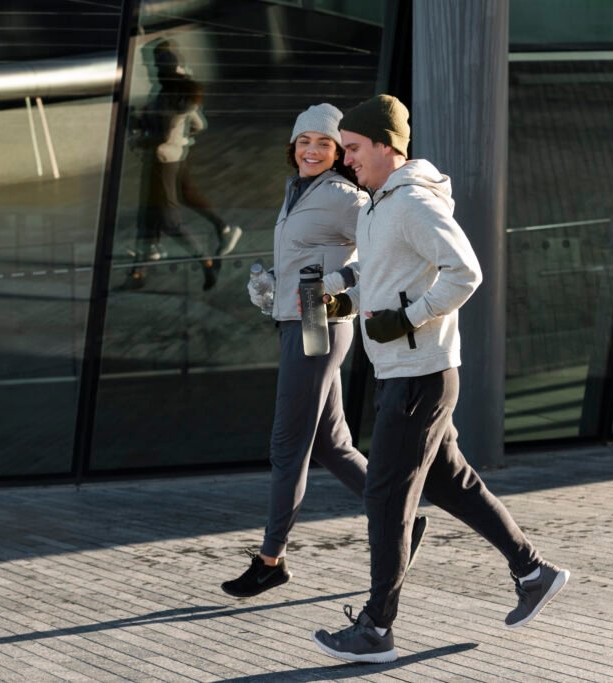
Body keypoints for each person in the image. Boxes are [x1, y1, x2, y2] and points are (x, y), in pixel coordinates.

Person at [311, 95, 570, 664]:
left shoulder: (412, 202)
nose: (345, 159)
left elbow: (465, 271)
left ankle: (376, 628)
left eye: (353, 148)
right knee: (453, 485)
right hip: (405, 374)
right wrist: (343, 298)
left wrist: (409, 318)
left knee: (385, 496)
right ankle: (534, 572)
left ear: (386, 145)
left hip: (420, 376)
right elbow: (385, 273)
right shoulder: (379, 204)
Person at [220, 103, 428, 599]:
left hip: (318, 321)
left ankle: (271, 560)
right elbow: (307, 258)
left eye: (324, 144)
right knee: (331, 445)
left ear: (338, 153)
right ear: (292, 146)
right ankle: (404, 519)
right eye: (304, 141)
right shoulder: (299, 189)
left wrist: (330, 284)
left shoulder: (341, 196)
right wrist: (276, 282)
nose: (311, 151)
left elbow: (384, 250)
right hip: (300, 318)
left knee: (287, 444)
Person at [120, 40, 241, 291]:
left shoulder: (170, 95)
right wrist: (178, 139)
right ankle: (138, 273)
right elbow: (195, 125)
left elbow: (161, 135)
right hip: (165, 158)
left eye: (156, 64)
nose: (152, 68)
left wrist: (138, 139)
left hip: (162, 161)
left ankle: (206, 262)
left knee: (169, 220)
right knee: (149, 218)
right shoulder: (175, 91)